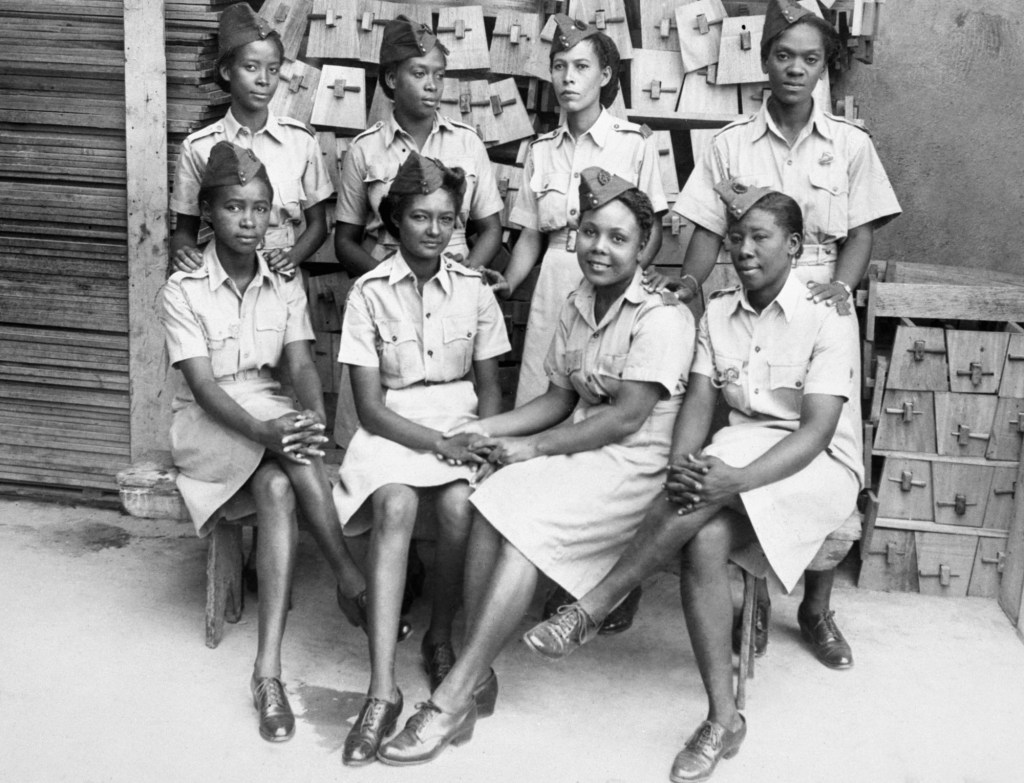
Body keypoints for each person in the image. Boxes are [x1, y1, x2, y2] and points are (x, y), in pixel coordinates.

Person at [523, 185, 863, 782]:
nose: (745, 250)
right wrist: (684, 463)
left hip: (815, 465)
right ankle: (723, 718)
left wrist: (733, 482)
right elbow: (699, 405)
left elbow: (815, 432)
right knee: (703, 536)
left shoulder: (827, 314)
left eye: (761, 237)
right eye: (736, 237)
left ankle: (593, 606)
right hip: (738, 450)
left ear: (795, 245)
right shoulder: (719, 312)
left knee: (709, 501)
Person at [374, 168, 693, 767]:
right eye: (591, 232)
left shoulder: (661, 316)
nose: (601, 248)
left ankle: (451, 698)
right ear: (575, 234)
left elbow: (626, 420)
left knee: (524, 533)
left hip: (634, 465)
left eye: (618, 238)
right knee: (486, 499)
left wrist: (535, 449)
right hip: (580, 448)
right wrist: (484, 431)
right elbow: (557, 399)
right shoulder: (576, 303)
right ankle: (476, 665)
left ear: (643, 244)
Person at [661, 0, 900, 667]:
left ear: (825, 67)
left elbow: (862, 231)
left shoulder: (850, 144)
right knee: (743, 428)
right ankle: (752, 590)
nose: (795, 69)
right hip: (750, 295)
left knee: (826, 448)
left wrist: (844, 290)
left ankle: (817, 607)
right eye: (783, 55)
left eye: (810, 58)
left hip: (820, 300)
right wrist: (688, 283)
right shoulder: (730, 143)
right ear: (763, 60)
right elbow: (709, 229)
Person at [158, 142, 372, 743]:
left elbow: (301, 362)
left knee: (279, 487)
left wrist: (307, 414)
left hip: (269, 416)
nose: (249, 221)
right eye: (233, 208)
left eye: (260, 209)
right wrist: (273, 432)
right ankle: (350, 576)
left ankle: (267, 671)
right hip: (211, 425)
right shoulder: (184, 286)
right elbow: (201, 387)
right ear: (207, 213)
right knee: (286, 454)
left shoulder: (284, 281)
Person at [331, 153, 510, 766]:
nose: (435, 230)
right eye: (420, 217)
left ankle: (441, 636)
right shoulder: (368, 293)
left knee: (461, 505)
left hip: (458, 420)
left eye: (446, 219)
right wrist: (440, 445)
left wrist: (481, 438)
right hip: (394, 429)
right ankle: (382, 688)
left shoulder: (475, 291)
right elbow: (371, 410)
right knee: (397, 504)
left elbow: (489, 386)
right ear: (392, 222)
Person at [503, 12, 669, 632]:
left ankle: (613, 587)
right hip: (553, 285)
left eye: (581, 67)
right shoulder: (540, 150)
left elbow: (646, 235)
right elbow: (527, 234)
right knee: (550, 412)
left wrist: (626, 287)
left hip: (613, 286)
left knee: (606, 433)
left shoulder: (634, 143)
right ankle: (547, 571)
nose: (568, 79)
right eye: (559, 67)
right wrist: (510, 283)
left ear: (606, 75)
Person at [169, 2, 332, 277]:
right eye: (251, 67)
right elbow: (184, 232)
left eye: (272, 69)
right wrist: (184, 253)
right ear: (227, 72)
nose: (263, 80)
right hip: (222, 272)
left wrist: (291, 258)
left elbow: (318, 225)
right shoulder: (199, 147)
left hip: (282, 276)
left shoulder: (300, 141)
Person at [333, 15, 503, 276]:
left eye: (439, 75)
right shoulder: (364, 149)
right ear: (392, 79)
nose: (432, 85)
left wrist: (467, 271)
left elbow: (490, 229)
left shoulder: (468, 143)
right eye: (419, 73)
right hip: (386, 275)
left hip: (453, 273)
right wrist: (385, 280)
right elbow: (344, 241)